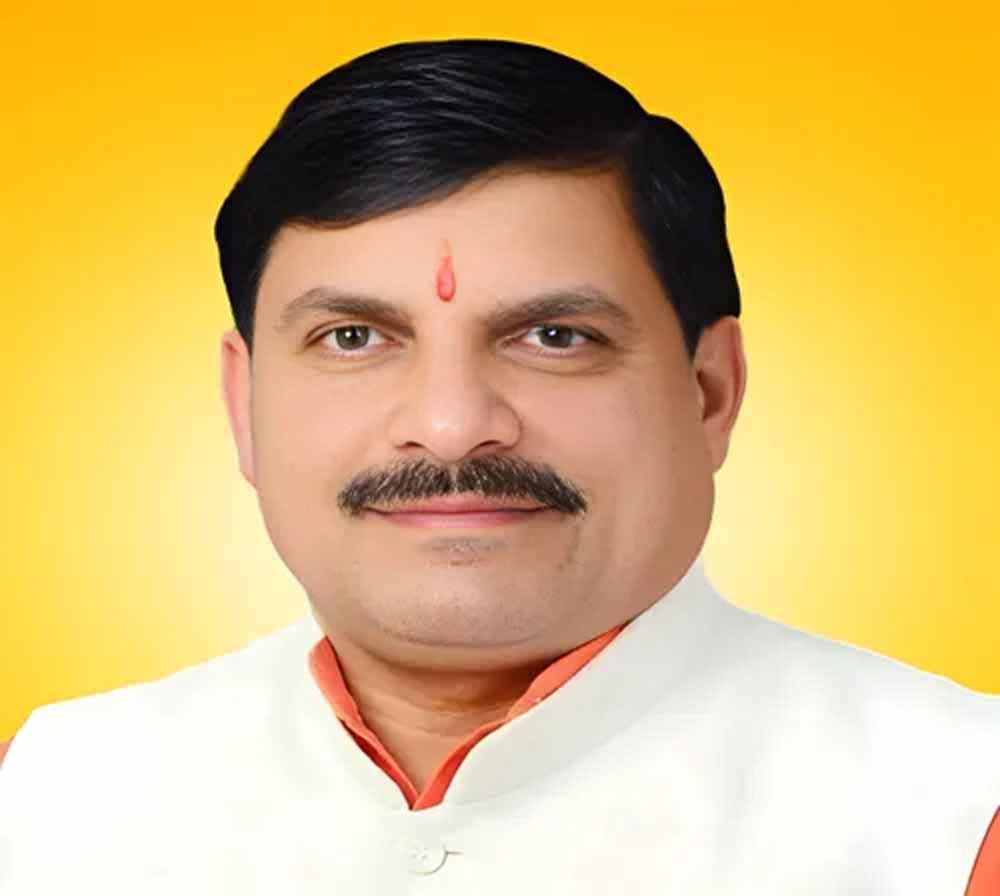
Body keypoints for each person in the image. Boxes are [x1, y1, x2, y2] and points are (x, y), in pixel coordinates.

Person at [0, 38, 997, 894]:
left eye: (555, 336)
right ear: (243, 403)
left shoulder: (953, 815)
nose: (449, 427)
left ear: (709, 393)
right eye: (353, 337)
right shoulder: (46, 799)